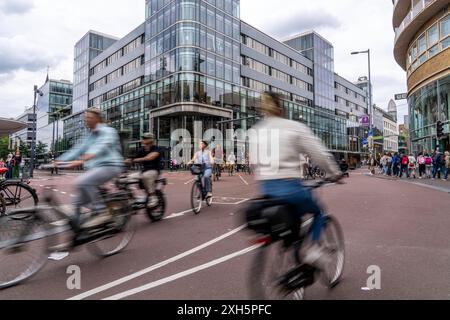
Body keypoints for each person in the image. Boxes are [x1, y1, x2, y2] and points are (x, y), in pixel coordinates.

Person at [251, 91, 342, 270]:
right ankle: (314, 249)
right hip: (290, 187)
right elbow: (319, 154)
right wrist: (334, 173)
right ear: (281, 107)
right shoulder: (293, 127)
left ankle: (290, 253)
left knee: (290, 223)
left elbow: (254, 162)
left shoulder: (256, 130)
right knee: (318, 212)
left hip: (267, 189)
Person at [56, 108, 124, 232]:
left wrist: (83, 159)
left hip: (111, 165)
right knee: (76, 202)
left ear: (97, 118)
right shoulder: (89, 136)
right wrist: (58, 161)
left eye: (89, 117)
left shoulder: (108, 131)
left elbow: (102, 145)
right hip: (96, 169)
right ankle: (78, 233)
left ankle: (102, 212)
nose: (86, 120)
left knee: (83, 182)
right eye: (85, 118)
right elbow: (77, 150)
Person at [127, 133, 161, 208]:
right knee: (127, 178)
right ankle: (131, 198)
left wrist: (136, 160)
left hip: (154, 171)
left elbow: (150, 157)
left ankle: (153, 197)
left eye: (146, 138)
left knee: (145, 176)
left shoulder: (156, 148)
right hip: (144, 171)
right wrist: (126, 161)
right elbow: (132, 158)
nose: (143, 140)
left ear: (151, 140)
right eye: (143, 138)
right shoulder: (141, 150)